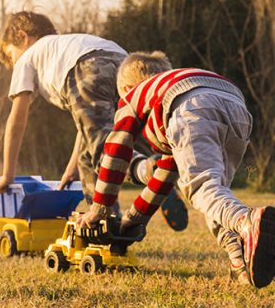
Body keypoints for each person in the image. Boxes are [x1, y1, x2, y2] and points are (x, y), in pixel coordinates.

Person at [78, 51, 275, 288]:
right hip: (237, 106)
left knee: (202, 188)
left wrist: (99, 208)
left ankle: (246, 220)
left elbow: (116, 150)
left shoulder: (134, 96)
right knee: (215, 194)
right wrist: (133, 219)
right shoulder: (169, 89)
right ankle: (239, 262)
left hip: (194, 108)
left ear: (127, 88)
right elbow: (165, 174)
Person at [0, 11, 186, 227]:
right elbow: (88, 127)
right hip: (124, 63)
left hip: (87, 67)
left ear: (23, 37)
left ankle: (147, 174)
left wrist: (7, 175)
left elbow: (17, 120)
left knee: (106, 155)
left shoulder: (28, 57)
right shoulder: (65, 45)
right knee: (90, 157)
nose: (13, 63)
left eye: (10, 56)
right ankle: (111, 222)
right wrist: (71, 168)